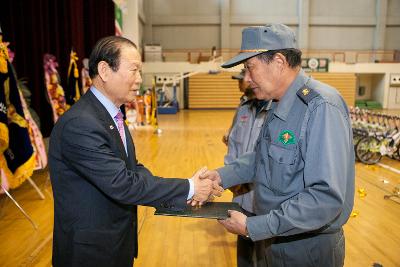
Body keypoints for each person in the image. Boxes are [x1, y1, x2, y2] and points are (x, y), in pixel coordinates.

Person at [48, 36, 222, 267]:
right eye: (134, 70)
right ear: (104, 70)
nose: (139, 79)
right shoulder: (81, 123)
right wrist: (189, 187)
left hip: (115, 243)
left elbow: (132, 168)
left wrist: (188, 192)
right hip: (89, 253)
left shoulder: (108, 114)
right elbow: (122, 183)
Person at [201, 23, 355, 266]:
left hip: (306, 249)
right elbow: (260, 157)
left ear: (280, 62)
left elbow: (325, 198)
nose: (247, 79)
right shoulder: (277, 103)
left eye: (250, 68)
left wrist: (254, 226)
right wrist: (219, 177)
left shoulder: (321, 106)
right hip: (272, 239)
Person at [224, 69, 270, 267]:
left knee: (264, 257)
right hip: (241, 199)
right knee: (244, 257)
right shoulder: (243, 109)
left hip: (265, 204)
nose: (241, 82)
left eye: (242, 78)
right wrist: (231, 179)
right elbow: (233, 145)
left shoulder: (277, 110)